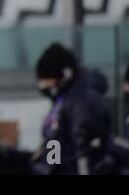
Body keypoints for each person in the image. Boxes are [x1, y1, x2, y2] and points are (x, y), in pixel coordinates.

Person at [31, 43, 111, 175]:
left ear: (65, 75)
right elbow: (55, 144)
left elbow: (83, 153)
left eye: (47, 79)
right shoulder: (64, 101)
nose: (43, 85)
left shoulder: (81, 101)